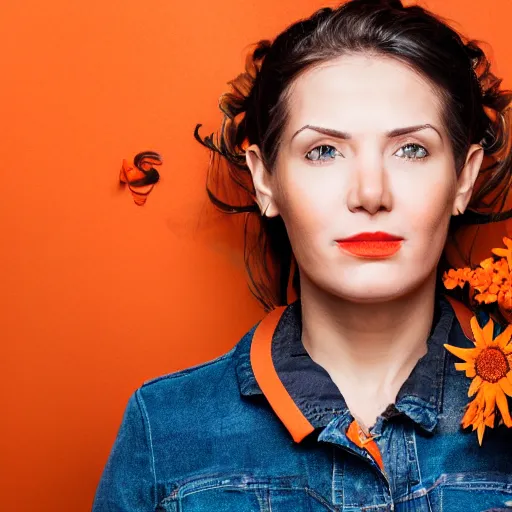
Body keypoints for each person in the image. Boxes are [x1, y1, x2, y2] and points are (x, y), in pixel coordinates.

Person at [92, 0, 512, 510]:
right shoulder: (164, 430)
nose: (370, 193)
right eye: (324, 151)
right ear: (265, 179)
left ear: (464, 177)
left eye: (411, 150)